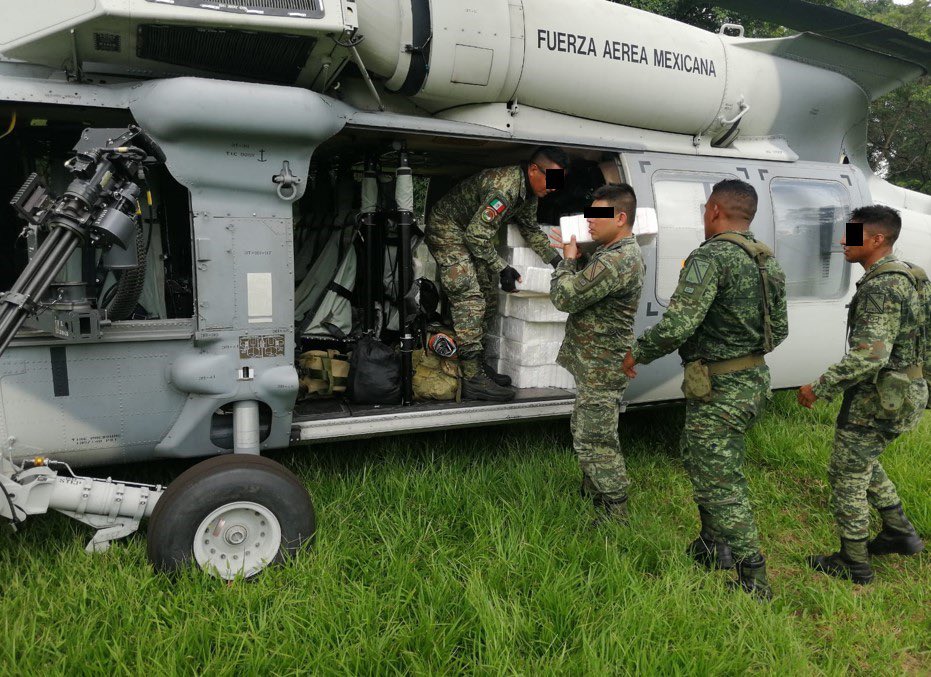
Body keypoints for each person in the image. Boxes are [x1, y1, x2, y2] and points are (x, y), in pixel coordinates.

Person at [622, 179, 788, 599]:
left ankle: (754, 579)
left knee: (720, 480)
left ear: (713, 210)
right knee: (711, 462)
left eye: (704, 210)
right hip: (752, 380)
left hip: (720, 385)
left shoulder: (711, 257)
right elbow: (780, 329)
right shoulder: (766, 259)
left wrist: (636, 353)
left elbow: (679, 324)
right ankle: (713, 546)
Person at [797, 205, 927, 585]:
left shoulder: (882, 286)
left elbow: (871, 355)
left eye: (851, 235)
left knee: (846, 473)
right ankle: (899, 532)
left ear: (877, 240)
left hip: (878, 399)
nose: (842, 242)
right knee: (864, 462)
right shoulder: (913, 276)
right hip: (905, 393)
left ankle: (853, 560)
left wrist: (818, 387)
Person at [425, 147, 568, 401]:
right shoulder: (506, 189)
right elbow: (475, 236)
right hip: (447, 228)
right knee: (470, 300)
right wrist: (503, 267)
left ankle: (477, 365)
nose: (554, 188)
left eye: (559, 182)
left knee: (489, 296)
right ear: (534, 169)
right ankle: (471, 378)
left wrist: (557, 261)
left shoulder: (529, 194)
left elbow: (530, 230)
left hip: (469, 234)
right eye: (552, 179)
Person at [550, 184, 645, 525]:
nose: (589, 220)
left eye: (598, 215)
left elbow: (566, 297)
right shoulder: (613, 254)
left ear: (620, 218)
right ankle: (592, 490)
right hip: (597, 362)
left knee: (596, 436)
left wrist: (566, 262)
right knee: (586, 427)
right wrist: (575, 258)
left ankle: (615, 507)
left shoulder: (616, 261)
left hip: (602, 364)